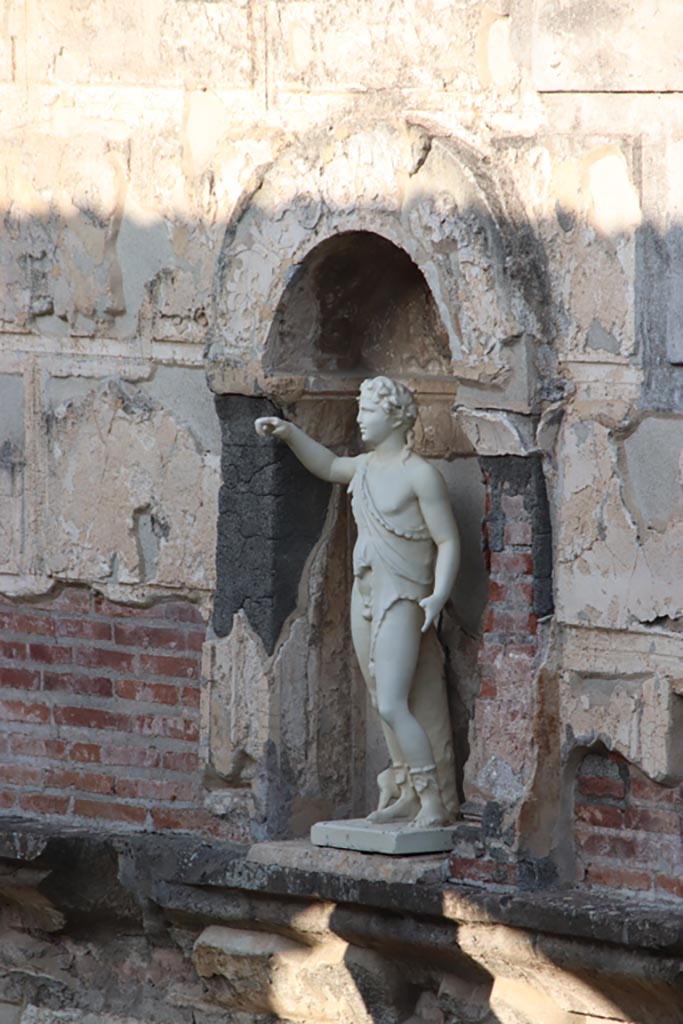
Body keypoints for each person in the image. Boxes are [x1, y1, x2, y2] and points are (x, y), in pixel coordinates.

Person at [255, 376, 460, 828]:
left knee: (391, 702)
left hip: (404, 596)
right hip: (365, 591)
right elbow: (328, 466)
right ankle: (406, 790)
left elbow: (447, 541)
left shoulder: (419, 474)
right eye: (361, 410)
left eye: (368, 411)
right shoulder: (364, 468)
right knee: (376, 693)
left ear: (395, 417)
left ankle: (432, 801)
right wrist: (289, 433)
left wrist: (438, 595)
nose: (360, 419)